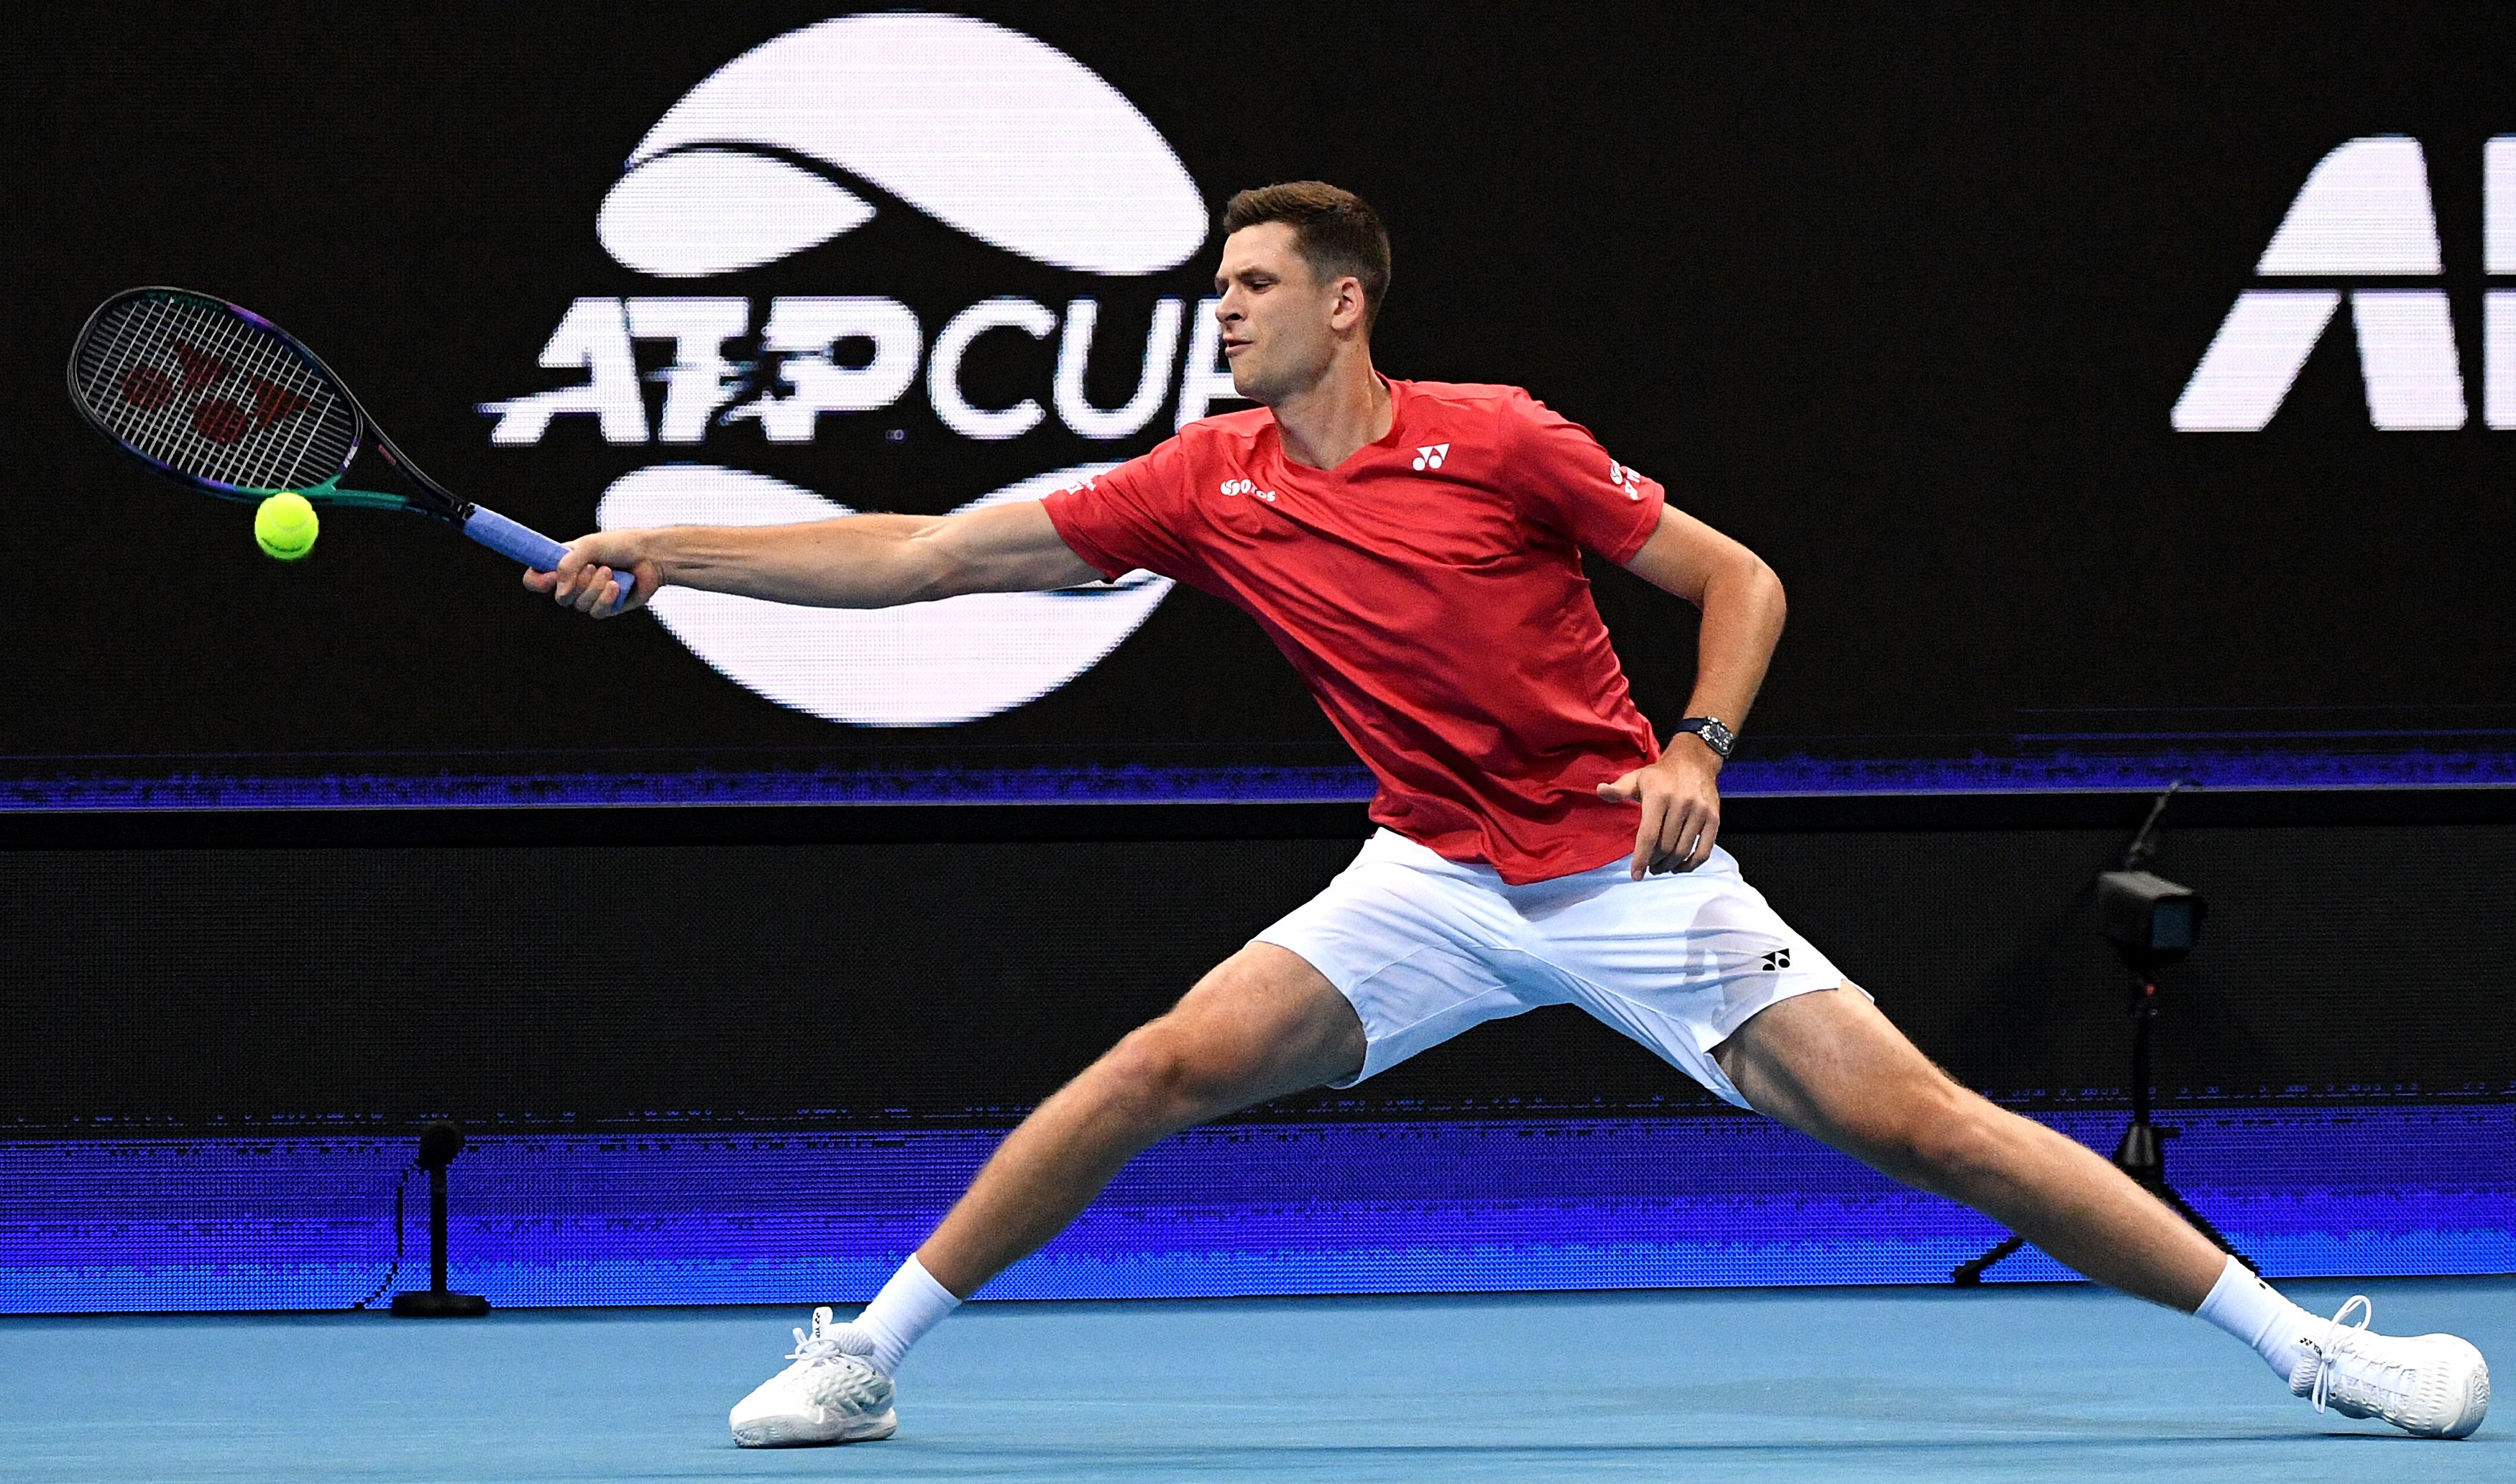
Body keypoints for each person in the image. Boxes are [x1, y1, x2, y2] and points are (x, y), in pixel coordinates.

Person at [530, 183, 2491, 1447]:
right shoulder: (1203, 483)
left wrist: (1697, 748)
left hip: (1627, 873)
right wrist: (670, 551)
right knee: (1152, 1065)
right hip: (1423, 881)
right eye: (1213, 288)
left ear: (1345, 303)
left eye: (1246, 288)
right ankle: (862, 1352)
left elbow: (1743, 579)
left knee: (1932, 1128)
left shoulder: (1506, 437)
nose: (1217, 314)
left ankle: (2312, 1351)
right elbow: (926, 557)